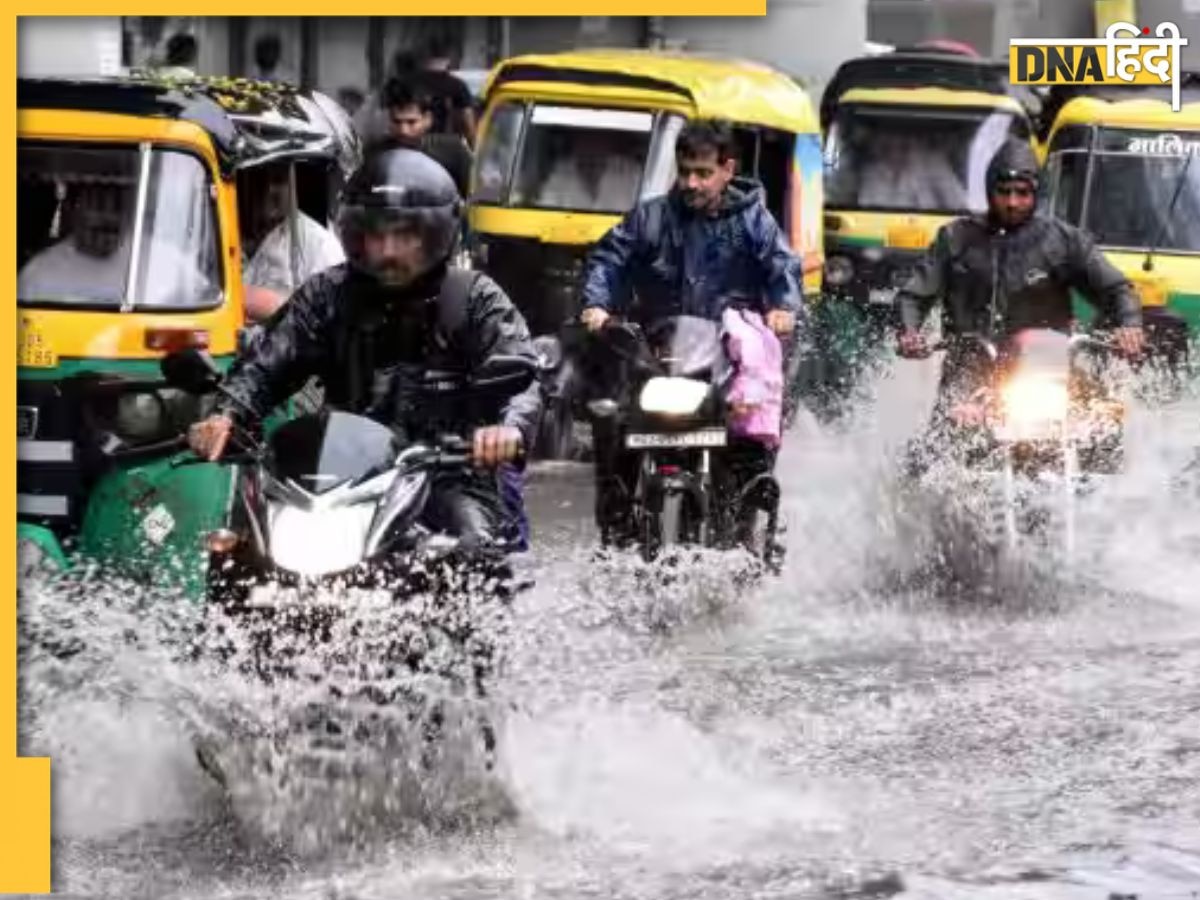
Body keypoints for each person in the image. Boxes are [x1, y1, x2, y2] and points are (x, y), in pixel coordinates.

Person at [188, 146, 540, 551]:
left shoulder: (473, 297)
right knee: (242, 549)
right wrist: (226, 414)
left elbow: (523, 378)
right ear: (356, 236)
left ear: (436, 236)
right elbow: (269, 362)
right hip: (338, 478)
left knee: (476, 545)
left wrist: (509, 428)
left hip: (446, 474)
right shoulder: (326, 294)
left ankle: (485, 611)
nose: (388, 250)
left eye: (405, 235)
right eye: (376, 235)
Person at [578, 118, 803, 547]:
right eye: (685, 172)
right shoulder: (650, 217)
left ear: (727, 170)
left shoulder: (754, 222)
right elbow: (609, 258)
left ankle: (748, 529)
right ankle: (618, 528)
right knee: (610, 418)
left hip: (726, 356)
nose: (692, 183)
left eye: (703, 173)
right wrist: (596, 304)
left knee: (749, 436)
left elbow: (783, 268)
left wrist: (783, 308)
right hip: (658, 352)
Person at [895, 137, 1144, 472]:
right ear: (989, 192)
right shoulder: (955, 239)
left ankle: (1103, 506)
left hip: (1045, 367)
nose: (1012, 202)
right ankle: (931, 507)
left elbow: (1115, 288)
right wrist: (909, 332)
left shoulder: (1065, 241)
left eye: (1022, 193)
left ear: (1035, 193)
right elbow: (914, 295)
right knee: (939, 446)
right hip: (972, 366)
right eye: (1004, 192)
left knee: (1103, 426)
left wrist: (1129, 325)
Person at [19, 180, 209, 306]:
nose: (108, 217)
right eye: (98, 204)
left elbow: (210, 305)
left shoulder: (168, 263)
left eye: (118, 205)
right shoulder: (39, 273)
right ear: (72, 209)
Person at [238, 162, 346, 323]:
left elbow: (330, 310)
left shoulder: (320, 243)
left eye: (278, 181)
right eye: (262, 183)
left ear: (293, 186)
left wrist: (274, 305)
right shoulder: (266, 235)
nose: (270, 191)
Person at [380, 78, 473, 199]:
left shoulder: (453, 151)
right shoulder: (377, 154)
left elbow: (476, 195)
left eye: (411, 122)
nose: (403, 130)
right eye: (397, 122)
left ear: (427, 119)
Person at [534, 132, 643, 212]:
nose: (591, 146)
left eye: (597, 141)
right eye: (585, 141)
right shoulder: (561, 174)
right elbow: (544, 208)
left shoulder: (630, 173)